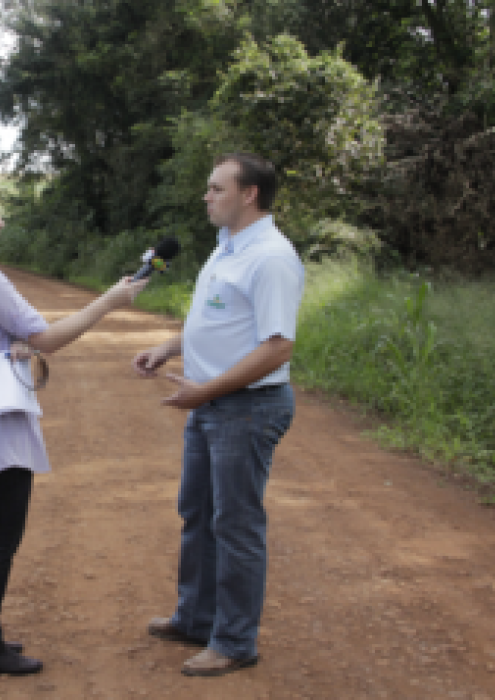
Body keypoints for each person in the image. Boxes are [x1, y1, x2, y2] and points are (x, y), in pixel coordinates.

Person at [0, 178, 149, 676]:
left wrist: (12, 346)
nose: (1, 221)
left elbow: (0, 339)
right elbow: (46, 339)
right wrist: (106, 303)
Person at [132, 153, 305, 678]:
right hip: (213, 404)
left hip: (245, 408)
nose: (206, 197)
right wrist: (169, 345)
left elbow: (277, 349)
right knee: (199, 515)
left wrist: (206, 391)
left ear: (248, 194)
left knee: (236, 525)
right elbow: (219, 321)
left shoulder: (271, 257)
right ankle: (196, 617)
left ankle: (233, 641)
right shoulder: (227, 248)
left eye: (215, 189)